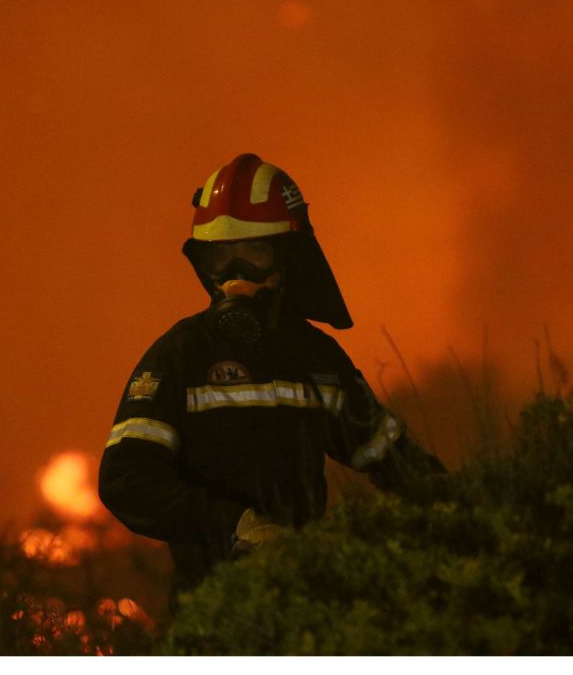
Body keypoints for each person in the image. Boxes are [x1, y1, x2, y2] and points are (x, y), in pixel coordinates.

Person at [98, 153, 444, 593]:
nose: (235, 274)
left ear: (287, 259)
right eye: (220, 258)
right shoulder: (179, 357)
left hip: (306, 607)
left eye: (254, 253)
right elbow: (125, 480)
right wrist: (234, 524)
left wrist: (462, 520)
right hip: (213, 614)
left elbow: (399, 465)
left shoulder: (317, 360)